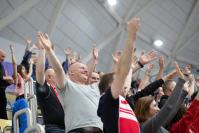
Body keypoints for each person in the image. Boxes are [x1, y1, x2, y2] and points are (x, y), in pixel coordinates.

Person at [38, 32, 102, 133]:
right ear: (71, 72)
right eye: (82, 68)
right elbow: (58, 69)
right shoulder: (67, 87)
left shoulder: (87, 88)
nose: (86, 71)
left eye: (86, 69)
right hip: (68, 129)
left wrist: (94, 60)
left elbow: (87, 74)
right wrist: (48, 50)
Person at [134, 62, 189, 133]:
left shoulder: (154, 125)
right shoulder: (147, 126)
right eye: (154, 105)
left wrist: (183, 93)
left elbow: (171, 112)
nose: (158, 108)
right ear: (145, 109)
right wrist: (181, 81)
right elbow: (168, 108)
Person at [36, 34, 65, 133]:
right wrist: (43, 49)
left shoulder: (63, 90)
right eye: (55, 74)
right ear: (49, 77)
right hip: (54, 128)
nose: (59, 75)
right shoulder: (46, 90)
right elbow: (40, 72)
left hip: (70, 126)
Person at [0, 49, 14, 119]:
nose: (3, 59)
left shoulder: (1, 66)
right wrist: (7, 77)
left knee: (3, 113)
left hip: (2, 94)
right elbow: (2, 77)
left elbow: (3, 81)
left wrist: (9, 82)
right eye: (2, 56)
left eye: (4, 57)